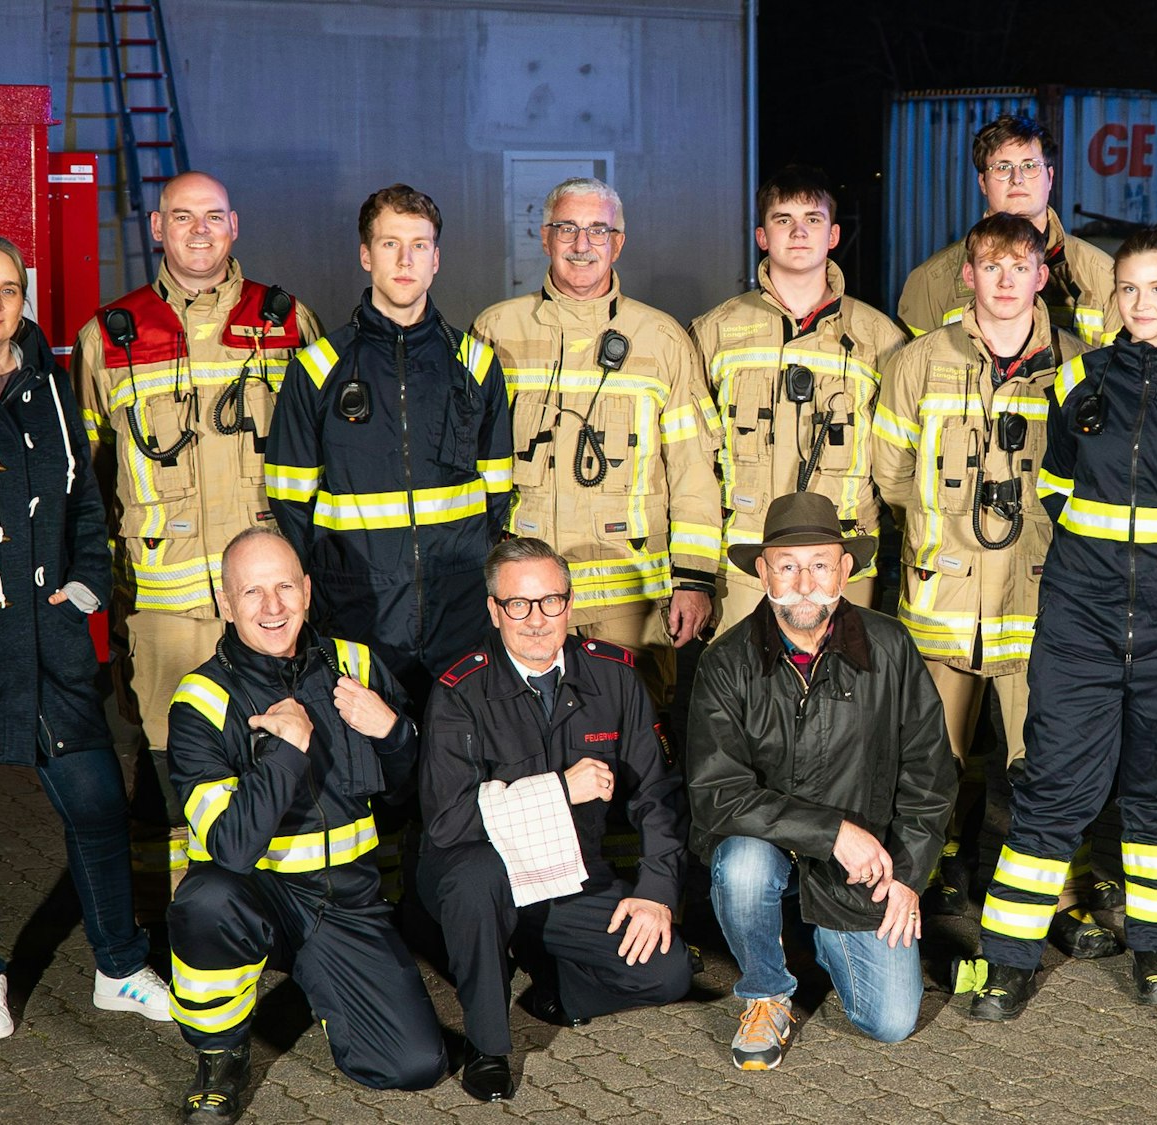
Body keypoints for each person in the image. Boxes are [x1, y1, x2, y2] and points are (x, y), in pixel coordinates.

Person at [0, 234, 170, 1042]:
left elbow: (85, 501)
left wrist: (85, 583)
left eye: (8, 288)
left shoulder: (49, 383)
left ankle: (119, 968)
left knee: (97, 804)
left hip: (48, 642)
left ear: (23, 299)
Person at [970, 226, 1157, 1019]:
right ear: (1114, 296)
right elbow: (1055, 490)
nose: (1141, 302)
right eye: (1129, 288)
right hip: (1080, 622)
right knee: (1053, 785)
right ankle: (1007, 962)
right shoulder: (1076, 382)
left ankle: (1155, 950)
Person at [874, 213, 1118, 957]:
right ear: (968, 276)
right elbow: (890, 476)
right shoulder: (916, 362)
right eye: (991, 266)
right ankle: (921, 887)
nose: (1006, 280)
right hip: (942, 601)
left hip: (1040, 602)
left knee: (1049, 762)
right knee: (929, 762)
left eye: (1020, 266)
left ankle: (1063, 898)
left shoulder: (1081, 366)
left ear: (1043, 275)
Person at [74, 170, 322, 898]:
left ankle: (283, 914)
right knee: (168, 767)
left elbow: (325, 460)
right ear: (158, 228)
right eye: (183, 217)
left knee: (282, 752)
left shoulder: (287, 322)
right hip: (165, 608)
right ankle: (177, 918)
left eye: (213, 216)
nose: (200, 230)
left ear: (234, 225)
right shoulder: (108, 337)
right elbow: (86, 484)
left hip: (270, 607)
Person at [165, 527, 444, 1121]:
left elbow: (416, 792)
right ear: (225, 603)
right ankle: (220, 1054)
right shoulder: (202, 700)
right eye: (252, 592)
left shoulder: (356, 664)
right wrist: (287, 752)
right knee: (205, 900)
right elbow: (231, 847)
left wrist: (394, 733)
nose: (272, 607)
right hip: (255, 894)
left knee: (414, 1065)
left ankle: (324, 979)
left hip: (346, 900)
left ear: (309, 591)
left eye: (285, 587)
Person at [686, 491, 954, 1069]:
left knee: (890, 1021)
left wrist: (908, 877)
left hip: (862, 865)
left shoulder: (891, 647)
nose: (804, 583)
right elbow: (717, 793)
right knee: (742, 868)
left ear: (845, 569)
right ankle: (766, 992)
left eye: (819, 565)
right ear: (763, 573)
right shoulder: (725, 662)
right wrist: (832, 833)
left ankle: (825, 934)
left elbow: (930, 775)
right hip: (770, 846)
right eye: (787, 566)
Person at [419, 537, 692, 1102]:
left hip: (569, 873)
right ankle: (488, 1045)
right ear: (494, 610)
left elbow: (655, 794)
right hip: (482, 876)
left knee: (666, 973)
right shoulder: (459, 691)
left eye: (550, 601)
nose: (537, 620)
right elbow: (449, 823)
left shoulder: (614, 676)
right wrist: (560, 789)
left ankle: (550, 983)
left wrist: (657, 892)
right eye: (518, 604)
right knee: (476, 882)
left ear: (569, 603)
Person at [473, 177, 723, 715]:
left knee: (635, 738)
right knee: (525, 736)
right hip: (528, 600)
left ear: (618, 243)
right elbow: (466, 464)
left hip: (630, 599)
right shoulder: (496, 331)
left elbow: (692, 469)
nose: (582, 244)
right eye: (567, 228)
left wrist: (695, 579)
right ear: (545, 237)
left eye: (597, 230)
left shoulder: (662, 339)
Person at [264, 184, 512, 708]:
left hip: (458, 609)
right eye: (389, 244)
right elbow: (289, 502)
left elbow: (497, 493)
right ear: (365, 255)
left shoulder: (476, 366)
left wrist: (466, 572)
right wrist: (331, 585)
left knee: (458, 748)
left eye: (419, 245)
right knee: (367, 750)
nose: (405, 260)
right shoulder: (317, 369)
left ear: (436, 259)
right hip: (357, 610)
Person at [689, 166, 907, 633]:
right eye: (783, 219)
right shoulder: (715, 333)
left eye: (812, 219)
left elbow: (899, 461)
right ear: (762, 237)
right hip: (745, 558)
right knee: (743, 678)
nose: (799, 231)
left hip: (842, 557)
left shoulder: (880, 339)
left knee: (843, 677)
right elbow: (691, 459)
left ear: (834, 235)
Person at [899, 114, 1120, 347]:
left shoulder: (1103, 276)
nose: (1017, 178)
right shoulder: (931, 282)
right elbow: (913, 365)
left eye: (1030, 166)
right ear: (983, 183)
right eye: (1002, 167)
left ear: (1050, 177)